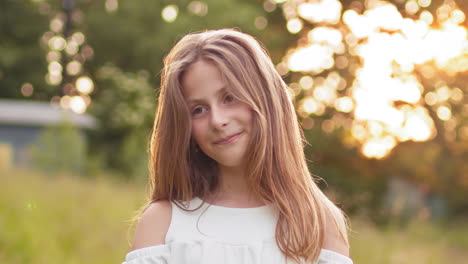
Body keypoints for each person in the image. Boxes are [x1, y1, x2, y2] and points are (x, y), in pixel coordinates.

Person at [122, 28, 352, 264]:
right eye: (198, 110)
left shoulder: (319, 222)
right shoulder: (163, 222)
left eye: (229, 98)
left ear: (266, 98)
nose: (218, 120)